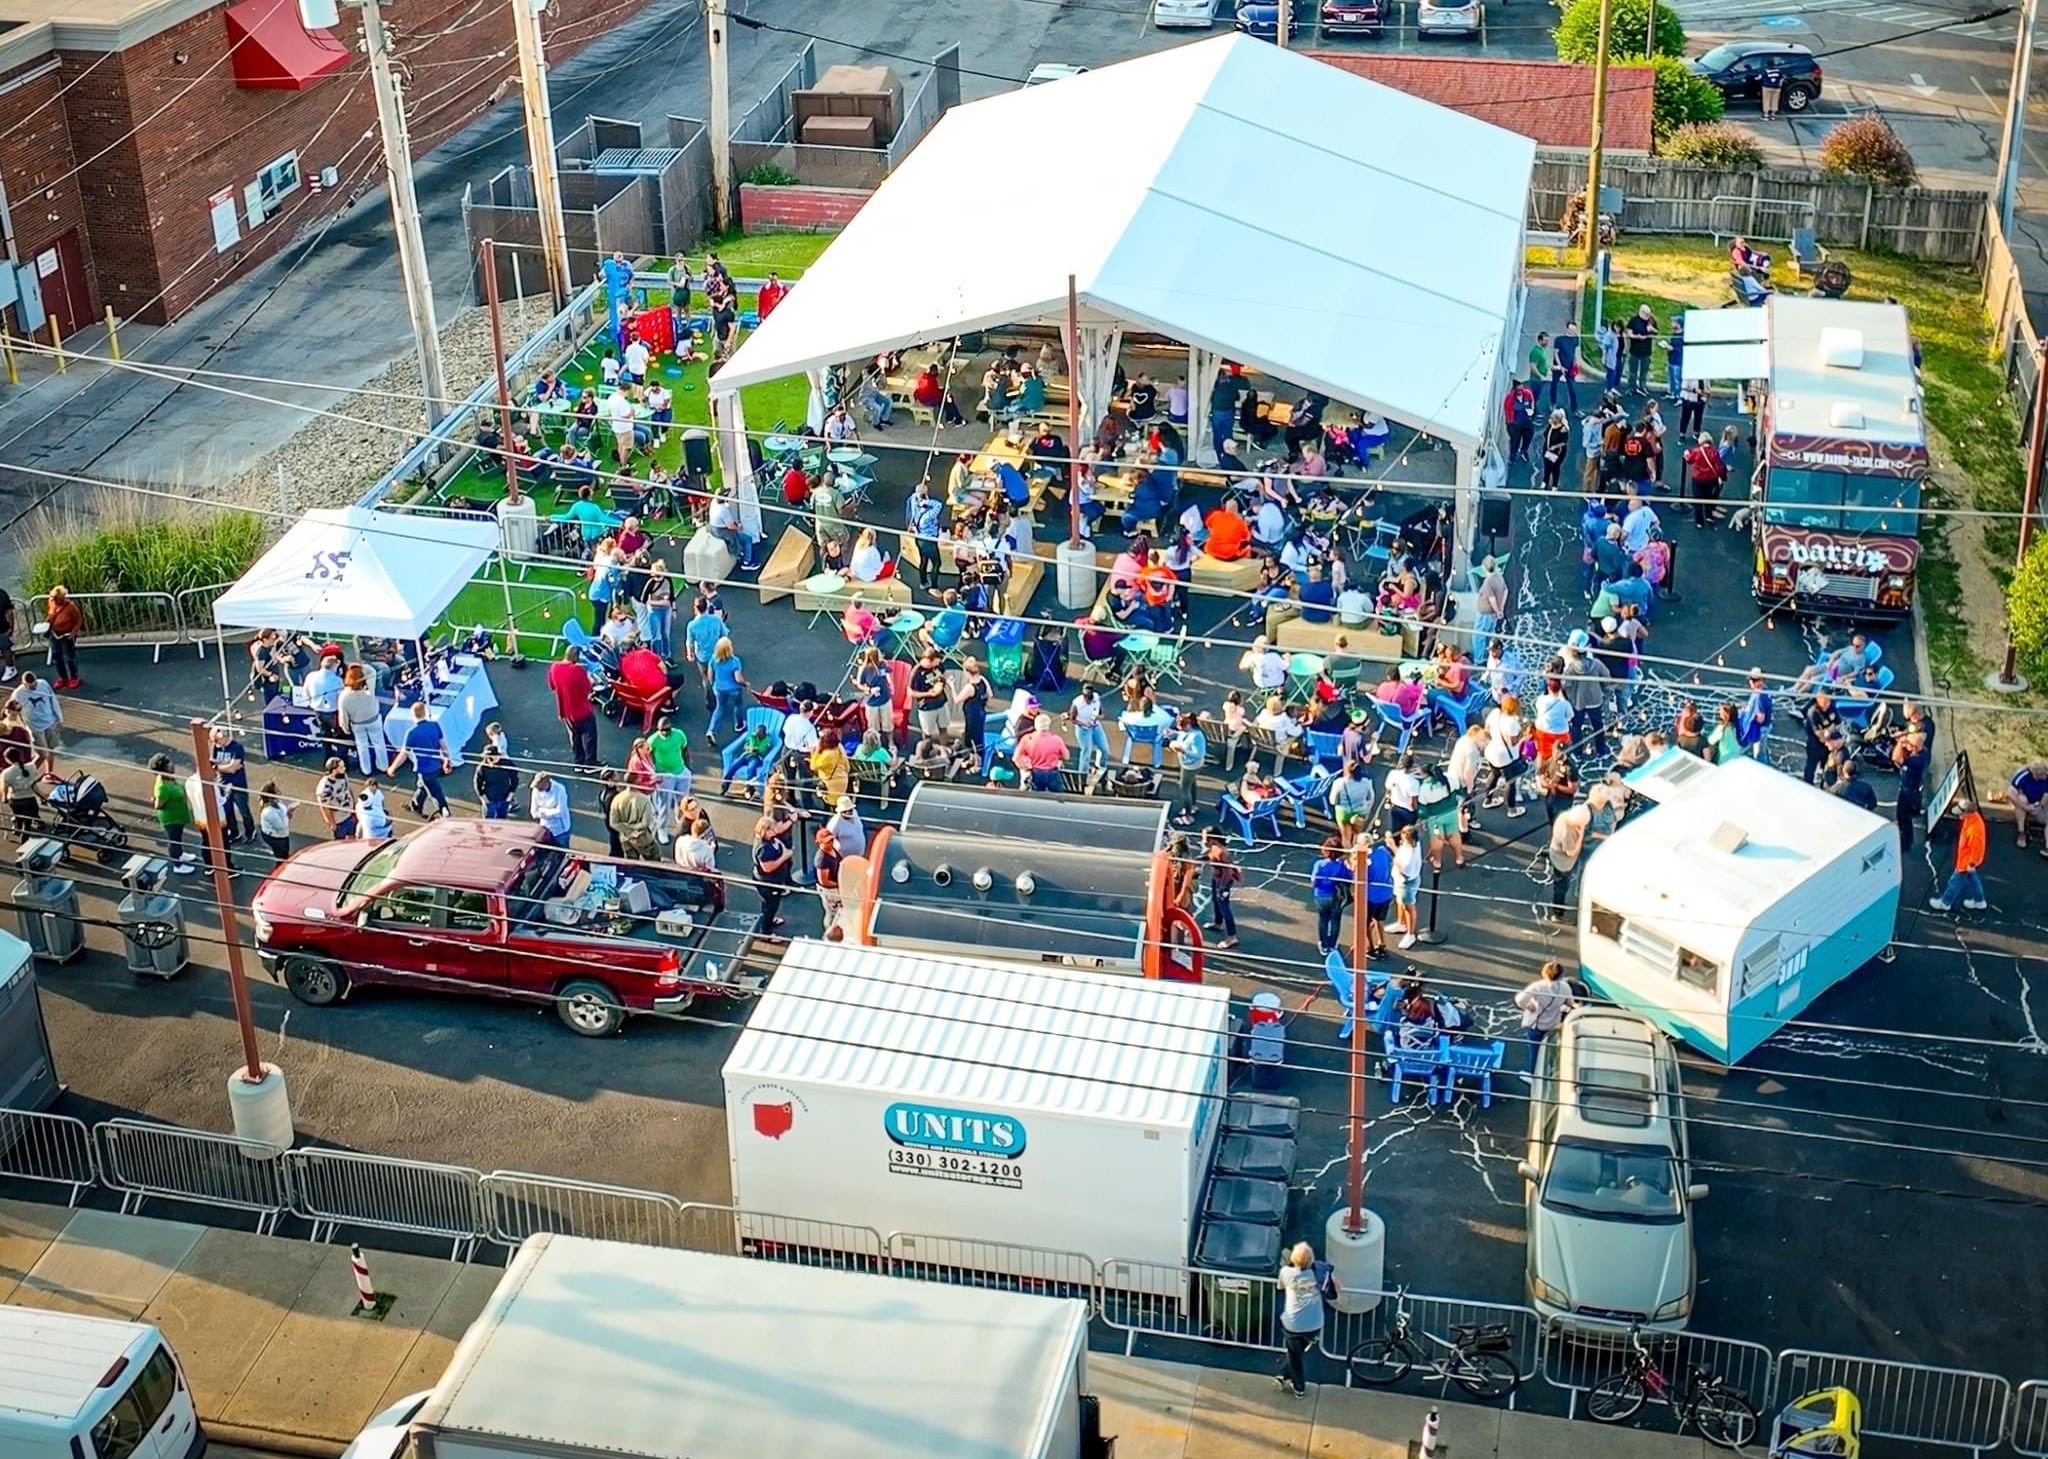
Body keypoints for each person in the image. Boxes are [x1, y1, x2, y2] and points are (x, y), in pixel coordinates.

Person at [1274, 1242, 1336, 1399]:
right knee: (1297, 1352)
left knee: (1295, 1356)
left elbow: (1280, 1286)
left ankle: (1299, 1386)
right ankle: (1283, 1374)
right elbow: (1332, 1290)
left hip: (1293, 1324)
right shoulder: (1319, 1275)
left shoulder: (1286, 1273)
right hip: (1314, 1323)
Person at [1928, 799, 1988, 913]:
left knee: (1955, 881)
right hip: (1966, 859)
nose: (1959, 815)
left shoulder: (1974, 829)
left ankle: (1945, 902)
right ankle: (1979, 900)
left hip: (1966, 861)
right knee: (1973, 879)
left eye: (1961, 812)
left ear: (1967, 812)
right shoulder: (1971, 819)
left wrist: (1971, 863)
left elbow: (1976, 848)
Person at [1514, 960, 1576, 1070]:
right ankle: (1549, 1070)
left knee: (1535, 1052)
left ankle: (1533, 1074)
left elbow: (1520, 999)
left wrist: (1528, 1006)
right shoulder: (1565, 987)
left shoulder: (1538, 987)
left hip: (1536, 1025)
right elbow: (1570, 1002)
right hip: (1553, 1024)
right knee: (1550, 1050)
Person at [548, 648, 599, 768]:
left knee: (575, 736)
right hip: (582, 710)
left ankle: (578, 761)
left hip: (566, 711)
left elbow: (552, 686)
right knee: (590, 736)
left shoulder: (554, 667)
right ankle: (590, 763)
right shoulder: (577, 670)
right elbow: (588, 689)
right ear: (575, 657)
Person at [147, 754, 199, 872]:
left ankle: (180, 854)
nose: (172, 764)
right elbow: (158, 805)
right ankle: (177, 865)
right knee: (174, 840)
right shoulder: (163, 787)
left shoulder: (169, 778)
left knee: (178, 837)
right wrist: (155, 800)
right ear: (162, 769)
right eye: (168, 764)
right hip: (171, 819)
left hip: (178, 815)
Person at [208, 724, 255, 843]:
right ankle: (234, 832)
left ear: (223, 737)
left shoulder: (236, 747)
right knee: (227, 810)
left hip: (238, 784)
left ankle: (250, 831)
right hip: (222, 783)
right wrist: (224, 767)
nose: (215, 743)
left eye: (216, 740)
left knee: (243, 809)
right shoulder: (216, 747)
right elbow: (213, 763)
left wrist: (218, 767)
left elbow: (232, 769)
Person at [1545, 801, 1592, 921]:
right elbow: (1571, 852)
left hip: (1556, 854)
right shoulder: (1567, 832)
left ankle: (1557, 908)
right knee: (1561, 886)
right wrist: (1580, 835)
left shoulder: (1564, 816)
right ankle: (1557, 912)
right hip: (1563, 862)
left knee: (1560, 883)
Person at [7, 672, 61, 775]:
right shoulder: (18, 694)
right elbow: (11, 709)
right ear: (24, 684)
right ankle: (26, 775)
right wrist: (22, 725)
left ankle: (49, 773)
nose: (33, 688)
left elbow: (53, 699)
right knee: (42, 754)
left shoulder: (43, 684)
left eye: (34, 685)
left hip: (50, 722)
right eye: (30, 686)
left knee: (51, 749)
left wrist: (59, 718)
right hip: (35, 727)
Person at [753, 814, 795, 938]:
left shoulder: (771, 840)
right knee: (771, 906)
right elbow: (768, 867)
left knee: (769, 905)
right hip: (768, 883)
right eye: (772, 828)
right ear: (764, 831)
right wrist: (785, 857)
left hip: (775, 880)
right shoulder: (763, 848)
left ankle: (769, 920)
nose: (775, 829)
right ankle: (766, 933)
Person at [1310, 837, 1351, 955]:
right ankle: (1332, 945)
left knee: (1323, 920)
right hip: (1337, 896)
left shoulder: (1319, 864)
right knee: (1335, 921)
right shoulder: (1341, 866)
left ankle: (1323, 944)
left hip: (1321, 895)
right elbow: (1349, 878)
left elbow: (1314, 883)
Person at [1201, 830, 1241, 949]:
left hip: (1223, 883)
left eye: (1205, 839)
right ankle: (1218, 923)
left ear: (1214, 839)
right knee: (1216, 902)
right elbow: (1208, 856)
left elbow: (1227, 872)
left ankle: (1232, 937)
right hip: (1216, 879)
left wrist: (1223, 889)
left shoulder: (1222, 852)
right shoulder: (1214, 848)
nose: (1203, 841)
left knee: (1224, 907)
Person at [43, 586, 82, 690]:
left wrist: (73, 633)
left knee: (69, 657)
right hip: (54, 634)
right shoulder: (51, 603)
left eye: (56, 598)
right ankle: (63, 677)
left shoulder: (71, 607)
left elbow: (78, 621)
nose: (54, 600)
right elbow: (50, 615)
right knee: (57, 656)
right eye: (52, 598)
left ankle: (74, 677)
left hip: (67, 635)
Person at [2011, 759, 2048, 852]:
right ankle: (2021, 833)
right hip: (2025, 803)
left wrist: (2040, 806)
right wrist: (2026, 807)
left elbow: (2046, 795)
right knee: (2021, 799)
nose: (2045, 775)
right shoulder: (2023, 775)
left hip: (2040, 805)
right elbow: (2009, 793)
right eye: (2043, 774)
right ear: (2036, 775)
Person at [474, 746, 518, 820]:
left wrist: (510, 795)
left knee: (501, 820)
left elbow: (515, 779)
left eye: (491, 758)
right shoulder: (482, 767)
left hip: (504, 797)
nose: (489, 761)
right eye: (487, 758)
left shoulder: (507, 764)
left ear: (498, 756)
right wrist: (484, 799)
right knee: (488, 820)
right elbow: (477, 784)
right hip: (489, 798)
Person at [315, 759, 355, 840]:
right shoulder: (325, 788)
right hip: (339, 820)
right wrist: (332, 823)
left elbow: (348, 788)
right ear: (334, 770)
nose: (344, 768)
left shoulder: (343, 775)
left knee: (353, 837)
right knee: (341, 842)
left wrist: (354, 803)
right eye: (341, 767)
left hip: (350, 813)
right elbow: (324, 807)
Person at [256, 784, 292, 860]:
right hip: (276, 837)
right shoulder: (269, 812)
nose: (280, 792)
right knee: (282, 856)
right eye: (277, 791)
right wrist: (289, 813)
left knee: (284, 854)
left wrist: (288, 814)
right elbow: (281, 826)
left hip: (281, 835)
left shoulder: (278, 804)